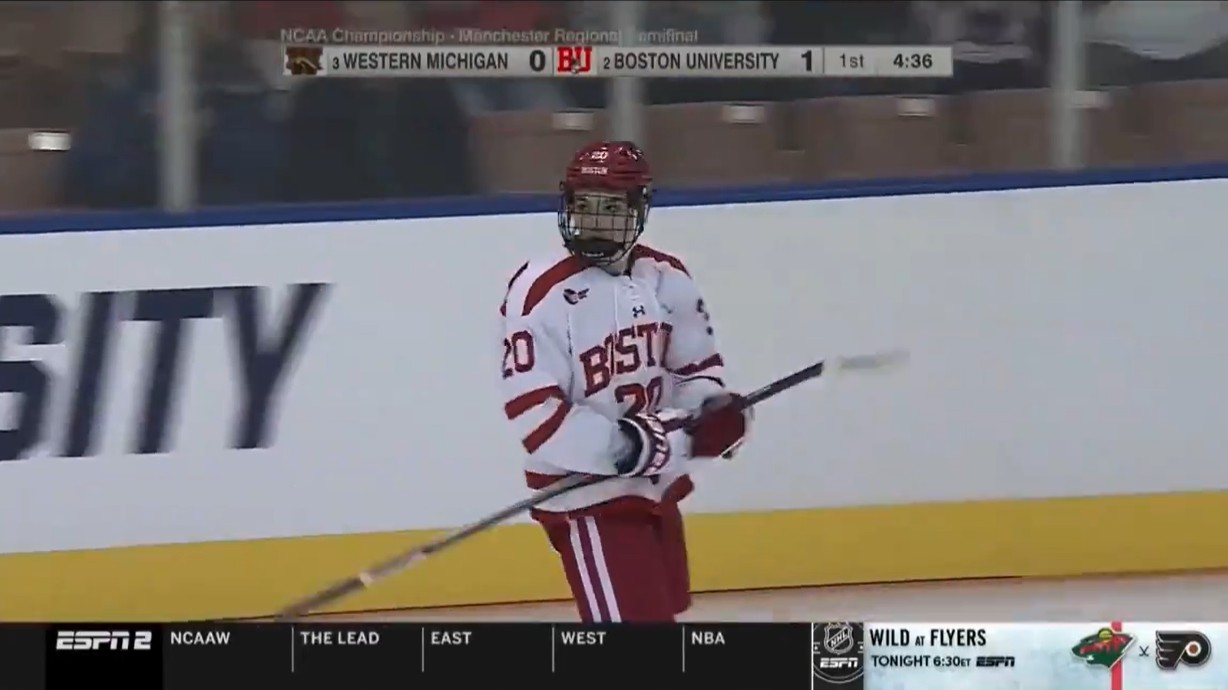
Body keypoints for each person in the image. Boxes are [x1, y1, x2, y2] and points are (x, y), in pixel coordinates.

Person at [497, 140, 752, 622]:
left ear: (639, 209)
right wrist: (624, 447)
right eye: (583, 206)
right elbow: (536, 416)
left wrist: (715, 417)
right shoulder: (540, 293)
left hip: (654, 487)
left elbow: (695, 373)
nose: (594, 220)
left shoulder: (667, 278)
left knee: (660, 616)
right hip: (586, 494)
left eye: (611, 208)